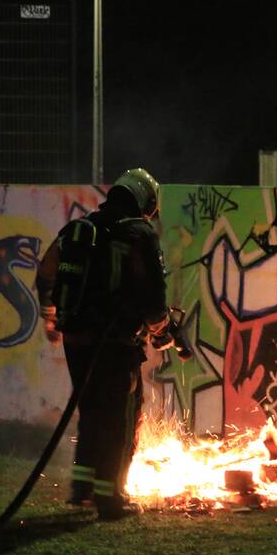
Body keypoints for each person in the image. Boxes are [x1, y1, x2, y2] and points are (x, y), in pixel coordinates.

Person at [36, 168, 173, 520]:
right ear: (145, 201)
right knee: (119, 418)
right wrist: (162, 331)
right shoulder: (139, 235)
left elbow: (47, 270)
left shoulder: (82, 229)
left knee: (92, 412)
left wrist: (50, 314)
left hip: (77, 339)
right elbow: (153, 299)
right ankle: (110, 499)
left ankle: (82, 490)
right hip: (114, 343)